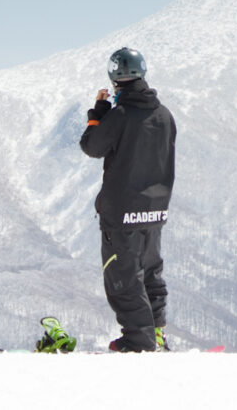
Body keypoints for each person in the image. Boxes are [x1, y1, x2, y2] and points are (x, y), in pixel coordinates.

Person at [80, 46, 177, 352]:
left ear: (114, 76)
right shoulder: (164, 115)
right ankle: (156, 332)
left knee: (123, 277)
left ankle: (139, 340)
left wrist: (97, 115)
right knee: (150, 272)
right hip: (155, 210)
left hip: (122, 212)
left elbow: (92, 147)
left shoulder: (120, 115)